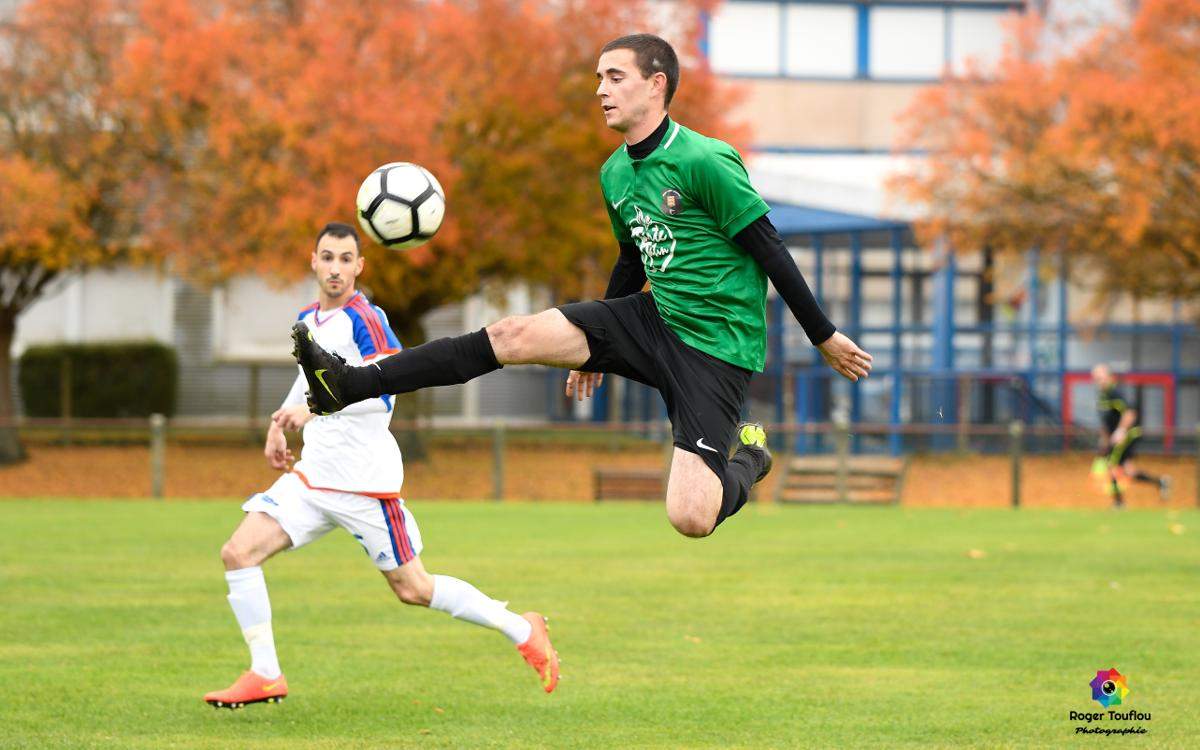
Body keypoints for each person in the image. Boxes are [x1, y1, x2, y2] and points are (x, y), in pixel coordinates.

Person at [291, 35, 871, 539]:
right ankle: (349, 384)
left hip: (715, 349)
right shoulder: (615, 171)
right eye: (598, 78)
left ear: (656, 85)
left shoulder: (706, 160)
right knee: (511, 334)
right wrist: (595, 339)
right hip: (651, 318)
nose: (601, 89)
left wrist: (822, 334)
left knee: (691, 516)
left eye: (615, 77)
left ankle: (749, 458)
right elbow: (631, 256)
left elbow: (769, 248)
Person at [204, 223, 558, 709]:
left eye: (345, 259)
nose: (335, 269)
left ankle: (522, 628)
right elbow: (306, 382)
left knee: (414, 589)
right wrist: (280, 423)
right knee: (238, 553)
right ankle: (265, 674)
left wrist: (318, 407)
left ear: (359, 266)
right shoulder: (308, 318)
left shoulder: (365, 319)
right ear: (313, 261)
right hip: (313, 477)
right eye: (327, 257)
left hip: (364, 483)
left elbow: (387, 392)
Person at [1091, 364, 1170, 509]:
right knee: (1128, 470)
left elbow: (1130, 413)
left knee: (1111, 464)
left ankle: (1119, 503)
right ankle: (1160, 482)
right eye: (1097, 378)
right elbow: (1105, 421)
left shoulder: (1115, 393)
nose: (1099, 381)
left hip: (1128, 434)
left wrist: (1121, 431)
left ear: (1109, 377)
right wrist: (1104, 439)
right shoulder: (1102, 397)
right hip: (1116, 436)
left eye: (1102, 378)